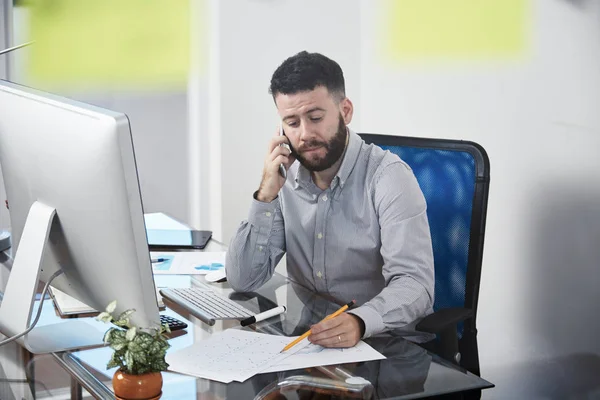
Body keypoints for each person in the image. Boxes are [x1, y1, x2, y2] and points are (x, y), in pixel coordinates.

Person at [226, 51, 434, 348]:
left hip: (381, 346)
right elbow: (243, 279)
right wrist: (265, 194)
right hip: (309, 343)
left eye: (315, 117)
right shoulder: (284, 178)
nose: (305, 134)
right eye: (292, 122)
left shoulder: (389, 178)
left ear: (345, 111)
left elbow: (417, 285)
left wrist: (361, 321)